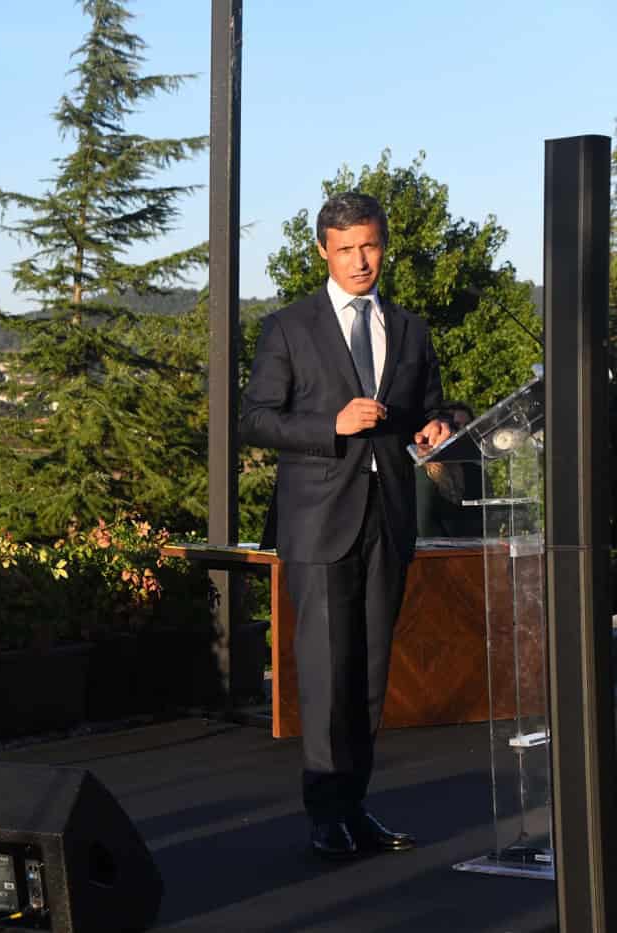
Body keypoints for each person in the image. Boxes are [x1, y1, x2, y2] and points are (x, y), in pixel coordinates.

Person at [240, 191, 452, 860]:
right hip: (319, 522)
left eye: (371, 246)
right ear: (323, 252)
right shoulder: (288, 328)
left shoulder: (411, 329)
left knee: (367, 674)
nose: (362, 260)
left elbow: (434, 408)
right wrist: (328, 426)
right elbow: (256, 419)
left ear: (384, 244)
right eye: (347, 248)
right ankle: (325, 813)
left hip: (388, 518)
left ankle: (354, 805)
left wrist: (440, 425)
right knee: (327, 675)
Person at [416, 402, 482, 539]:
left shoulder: (475, 472)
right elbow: (424, 525)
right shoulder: (421, 472)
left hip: (473, 552)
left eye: (468, 426)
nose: (463, 432)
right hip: (434, 554)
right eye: (456, 427)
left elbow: (485, 520)